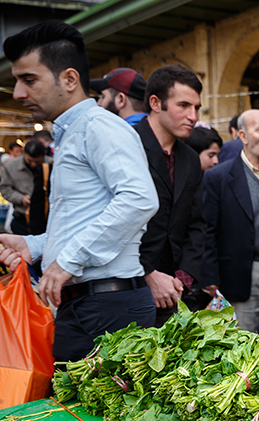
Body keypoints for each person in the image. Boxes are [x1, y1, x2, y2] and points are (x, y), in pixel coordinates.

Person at [0, 20, 157, 361]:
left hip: (105, 309)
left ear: (70, 79)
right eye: (17, 80)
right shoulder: (73, 132)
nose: (18, 93)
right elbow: (82, 218)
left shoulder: (98, 126)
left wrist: (65, 262)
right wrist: (34, 245)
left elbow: (139, 199)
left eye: (29, 79)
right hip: (92, 306)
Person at [135, 65, 208, 326]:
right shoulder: (128, 144)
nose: (193, 116)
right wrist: (147, 273)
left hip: (175, 291)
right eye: (184, 105)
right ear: (156, 103)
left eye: (197, 108)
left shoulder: (189, 157)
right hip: (128, 285)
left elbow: (196, 222)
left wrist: (183, 277)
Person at [202, 109, 259, 335]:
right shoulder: (219, 177)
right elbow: (209, 229)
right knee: (240, 342)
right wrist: (210, 277)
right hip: (239, 273)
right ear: (243, 137)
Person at [0, 139, 51, 235]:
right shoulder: (11, 167)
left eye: (37, 162)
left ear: (43, 155)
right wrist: (20, 198)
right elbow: (5, 188)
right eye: (30, 161)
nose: (33, 164)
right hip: (22, 219)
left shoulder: (51, 164)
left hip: (47, 219)